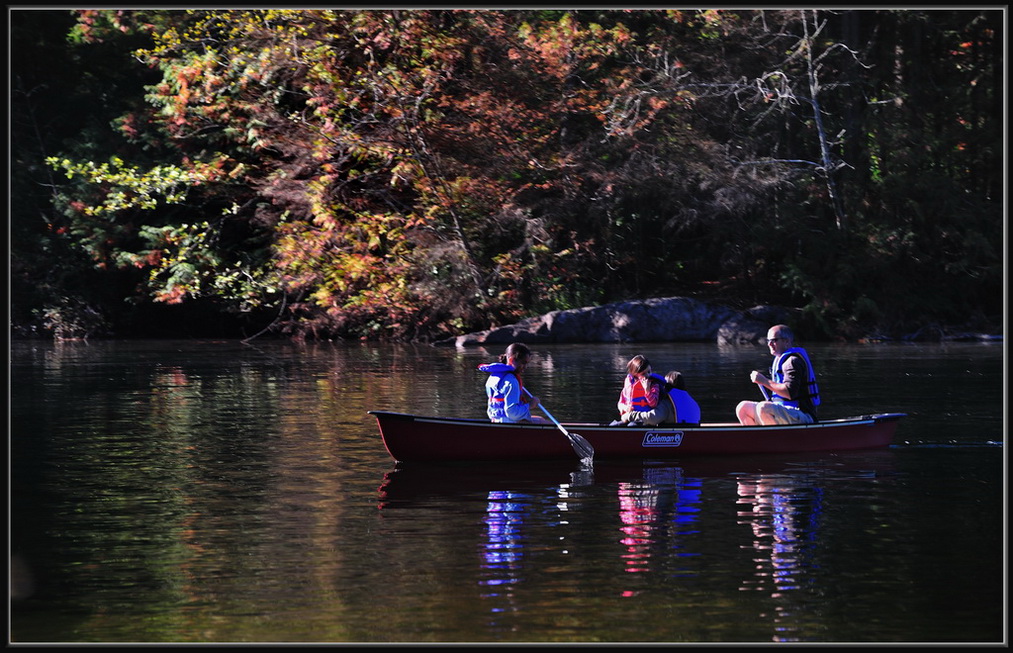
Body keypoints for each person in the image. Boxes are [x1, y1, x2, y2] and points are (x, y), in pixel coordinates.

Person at [735, 324, 821, 425]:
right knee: (743, 407)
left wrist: (764, 381)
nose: (769, 344)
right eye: (768, 341)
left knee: (764, 408)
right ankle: (757, 439)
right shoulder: (781, 360)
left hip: (803, 415)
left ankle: (775, 439)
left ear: (787, 341)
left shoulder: (792, 362)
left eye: (774, 340)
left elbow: (789, 393)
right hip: (787, 413)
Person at [477, 342, 547, 423]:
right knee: (542, 422)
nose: (525, 367)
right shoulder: (511, 381)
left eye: (527, 364)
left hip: (496, 419)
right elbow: (512, 413)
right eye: (523, 363)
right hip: (509, 422)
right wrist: (530, 405)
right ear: (511, 360)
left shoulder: (494, 376)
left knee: (540, 419)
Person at [614, 355, 670, 426]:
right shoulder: (629, 384)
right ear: (635, 374)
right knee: (615, 425)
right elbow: (620, 402)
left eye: (649, 372)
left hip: (644, 419)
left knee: (632, 426)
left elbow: (653, 404)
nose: (647, 375)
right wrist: (625, 408)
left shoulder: (653, 384)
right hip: (629, 416)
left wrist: (647, 390)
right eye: (643, 373)